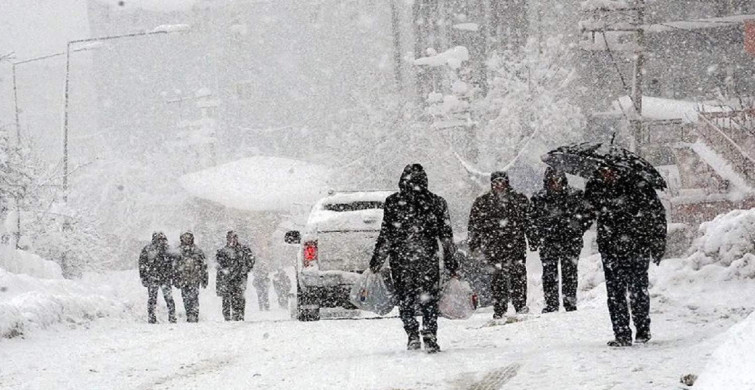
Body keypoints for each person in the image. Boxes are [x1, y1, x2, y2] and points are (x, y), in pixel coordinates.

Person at [370, 163, 458, 353]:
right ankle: (429, 333)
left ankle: (412, 334)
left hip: (402, 259)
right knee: (429, 299)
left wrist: (377, 260)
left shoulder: (393, 202)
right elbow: (446, 236)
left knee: (406, 298)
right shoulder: (437, 202)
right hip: (428, 258)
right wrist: (452, 262)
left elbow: (386, 234)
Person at [584, 165, 667, 347]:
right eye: (604, 171)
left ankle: (642, 331)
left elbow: (657, 213)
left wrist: (658, 242)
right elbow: (585, 213)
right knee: (615, 293)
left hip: (637, 246)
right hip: (610, 248)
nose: (607, 174)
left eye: (611, 171)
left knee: (638, 290)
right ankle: (621, 333)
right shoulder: (595, 186)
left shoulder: (638, 184)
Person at [468, 171, 537, 319]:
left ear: (507, 182)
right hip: (493, 246)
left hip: (515, 244)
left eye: (502, 181)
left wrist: (533, 239)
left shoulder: (519, 200)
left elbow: (529, 222)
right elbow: (474, 225)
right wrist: (474, 244)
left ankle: (520, 305)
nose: (499, 185)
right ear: (492, 183)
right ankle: (499, 308)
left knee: (518, 275)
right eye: (496, 182)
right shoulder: (483, 202)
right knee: (497, 278)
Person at [530, 167, 593, 313]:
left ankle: (569, 302)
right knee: (549, 273)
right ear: (547, 182)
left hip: (570, 240)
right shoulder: (539, 198)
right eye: (552, 180)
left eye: (558, 180)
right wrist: (537, 235)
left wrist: (578, 229)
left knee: (570, 272)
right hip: (548, 241)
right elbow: (531, 220)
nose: (556, 184)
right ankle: (552, 304)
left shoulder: (576, 195)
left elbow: (588, 215)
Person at [216, 231, 256, 321]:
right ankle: (227, 316)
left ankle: (239, 315)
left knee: (239, 297)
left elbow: (251, 260)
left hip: (240, 278)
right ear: (227, 239)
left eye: (234, 238)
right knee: (226, 298)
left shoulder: (244, 250)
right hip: (227, 279)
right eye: (230, 238)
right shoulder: (222, 251)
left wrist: (246, 268)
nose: (232, 240)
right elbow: (219, 265)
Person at [138, 232, 176, 324]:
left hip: (164, 278)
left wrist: (173, 275)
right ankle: (152, 318)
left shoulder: (168, 249)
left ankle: (172, 317)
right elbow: (142, 264)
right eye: (159, 239)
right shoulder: (148, 249)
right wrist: (143, 277)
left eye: (162, 239)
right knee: (152, 299)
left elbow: (174, 264)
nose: (161, 241)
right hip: (153, 277)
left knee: (168, 298)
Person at [174, 232, 208, 322]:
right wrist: (175, 279)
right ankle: (189, 314)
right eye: (185, 238)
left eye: (188, 238)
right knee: (185, 298)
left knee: (194, 297)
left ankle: (194, 315)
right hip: (183, 279)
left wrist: (205, 279)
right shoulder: (178, 251)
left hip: (195, 279)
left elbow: (204, 266)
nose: (187, 240)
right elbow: (174, 267)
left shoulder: (198, 251)